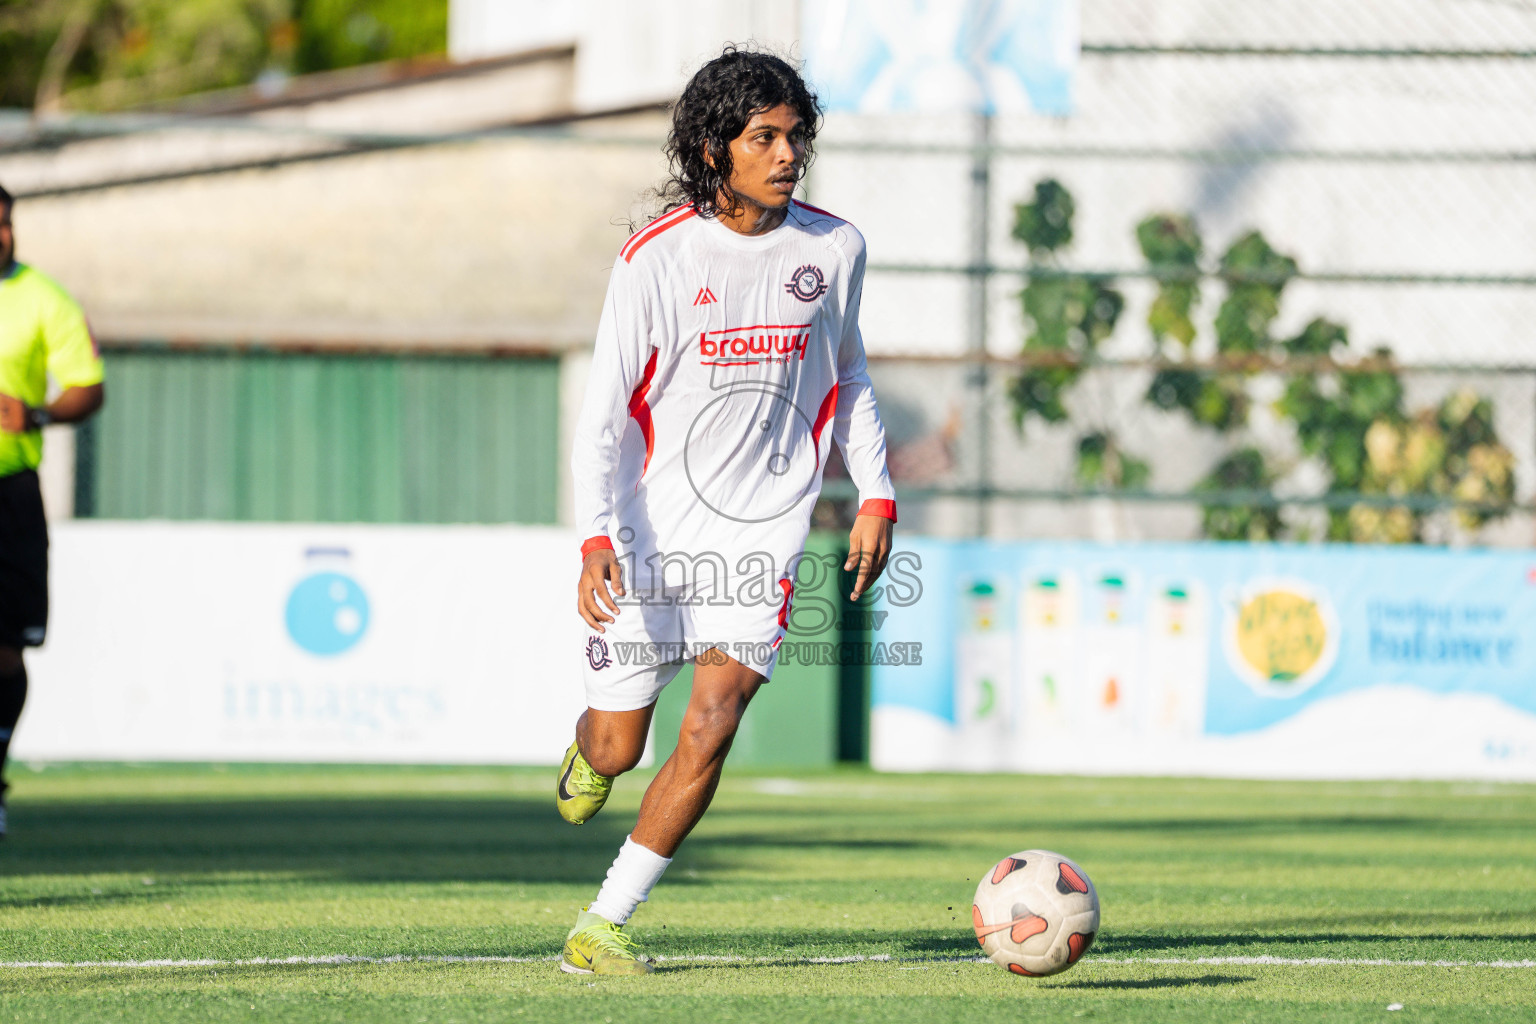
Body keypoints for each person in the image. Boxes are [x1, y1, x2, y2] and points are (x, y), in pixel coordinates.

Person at [556, 47, 897, 975]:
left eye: (797, 137)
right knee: (619, 747)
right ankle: (588, 750)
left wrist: (877, 491)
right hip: (648, 534)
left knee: (712, 722)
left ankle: (604, 924)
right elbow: (601, 414)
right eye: (765, 138)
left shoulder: (834, 250)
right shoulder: (655, 260)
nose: (789, 156)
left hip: (762, 536)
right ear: (716, 151)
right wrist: (594, 535)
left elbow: (853, 377)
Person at [0, 182, 106, 839]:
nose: (1, 234)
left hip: (9, 493)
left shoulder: (43, 298)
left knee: (6, 653)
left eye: (5, 222)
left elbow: (88, 389)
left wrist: (34, 411)